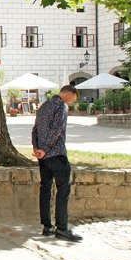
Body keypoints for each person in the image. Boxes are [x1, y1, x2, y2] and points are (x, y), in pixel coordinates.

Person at [32, 85, 83, 242]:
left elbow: (35, 129)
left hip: (43, 156)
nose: (72, 103)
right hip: (56, 153)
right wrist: (46, 149)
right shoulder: (61, 106)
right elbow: (57, 129)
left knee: (45, 188)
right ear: (69, 94)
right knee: (63, 190)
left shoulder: (44, 105)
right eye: (72, 99)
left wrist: (37, 148)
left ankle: (47, 225)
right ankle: (62, 228)